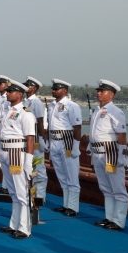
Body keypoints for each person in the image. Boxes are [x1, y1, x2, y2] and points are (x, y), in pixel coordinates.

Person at [0, 79, 37, 239]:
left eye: (10, 91)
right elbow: (4, 132)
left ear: (19, 94)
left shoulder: (25, 114)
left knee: (21, 192)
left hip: (17, 153)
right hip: (5, 151)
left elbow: (30, 139)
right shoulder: (8, 111)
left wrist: (28, 161)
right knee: (12, 192)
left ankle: (25, 228)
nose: (7, 93)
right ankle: (14, 224)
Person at [85, 79, 128, 231]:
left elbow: (122, 136)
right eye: (98, 90)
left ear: (111, 95)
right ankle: (109, 217)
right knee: (105, 187)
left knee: (118, 188)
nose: (98, 93)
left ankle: (118, 220)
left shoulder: (115, 111)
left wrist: (122, 156)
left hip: (111, 152)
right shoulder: (97, 110)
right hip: (97, 152)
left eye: (102, 91)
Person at [46, 79, 82, 217]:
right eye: (53, 89)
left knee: (71, 176)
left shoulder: (71, 106)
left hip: (67, 141)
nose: (53, 91)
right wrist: (48, 142)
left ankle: (73, 207)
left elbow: (77, 127)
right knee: (61, 175)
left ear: (65, 91)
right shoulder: (51, 105)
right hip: (55, 140)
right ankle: (66, 204)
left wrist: (76, 146)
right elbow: (50, 125)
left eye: (57, 89)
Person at [21, 77, 48, 207]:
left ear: (34, 88)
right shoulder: (25, 101)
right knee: (30, 167)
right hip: (27, 138)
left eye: (29, 85)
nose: (26, 87)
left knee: (39, 168)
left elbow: (40, 122)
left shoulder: (36, 102)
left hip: (36, 138)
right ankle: (32, 194)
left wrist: (42, 139)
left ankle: (40, 196)